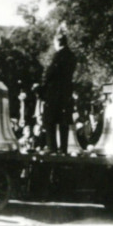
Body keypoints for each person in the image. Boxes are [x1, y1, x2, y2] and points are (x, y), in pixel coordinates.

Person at [41, 25, 77, 155]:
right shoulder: (72, 56)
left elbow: (51, 73)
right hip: (66, 92)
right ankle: (63, 149)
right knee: (64, 122)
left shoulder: (59, 56)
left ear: (58, 42)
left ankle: (52, 147)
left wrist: (41, 87)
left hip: (54, 92)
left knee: (49, 119)